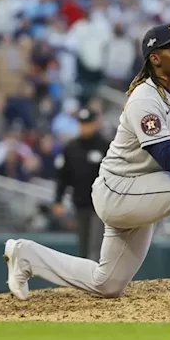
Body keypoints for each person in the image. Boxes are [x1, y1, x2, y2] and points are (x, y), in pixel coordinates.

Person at [3, 23, 170, 307]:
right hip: (118, 190)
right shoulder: (144, 99)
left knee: (107, 284)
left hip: (144, 191)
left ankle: (27, 255)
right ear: (155, 58)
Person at [53, 107, 110, 261]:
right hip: (79, 202)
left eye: (87, 123)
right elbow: (63, 176)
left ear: (95, 124)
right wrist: (58, 200)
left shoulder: (105, 146)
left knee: (95, 246)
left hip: (100, 205)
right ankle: (86, 281)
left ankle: (95, 282)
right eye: (81, 124)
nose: (84, 127)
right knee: (84, 246)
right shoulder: (71, 148)